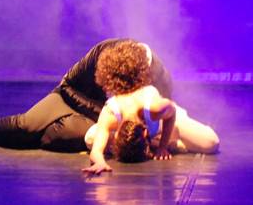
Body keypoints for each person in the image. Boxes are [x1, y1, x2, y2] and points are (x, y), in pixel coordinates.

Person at [0, 38, 173, 153]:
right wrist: (105, 113)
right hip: (70, 98)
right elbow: (66, 88)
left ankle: (43, 137)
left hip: (105, 118)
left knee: (62, 135)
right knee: (26, 125)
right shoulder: (103, 55)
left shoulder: (159, 80)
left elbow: (164, 117)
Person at [82, 47, 219, 176]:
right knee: (91, 138)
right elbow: (96, 151)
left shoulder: (153, 108)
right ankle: (157, 143)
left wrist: (163, 147)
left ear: (145, 132)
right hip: (145, 133)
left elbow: (171, 111)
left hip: (165, 121)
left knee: (210, 142)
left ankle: (162, 142)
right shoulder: (110, 113)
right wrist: (99, 162)